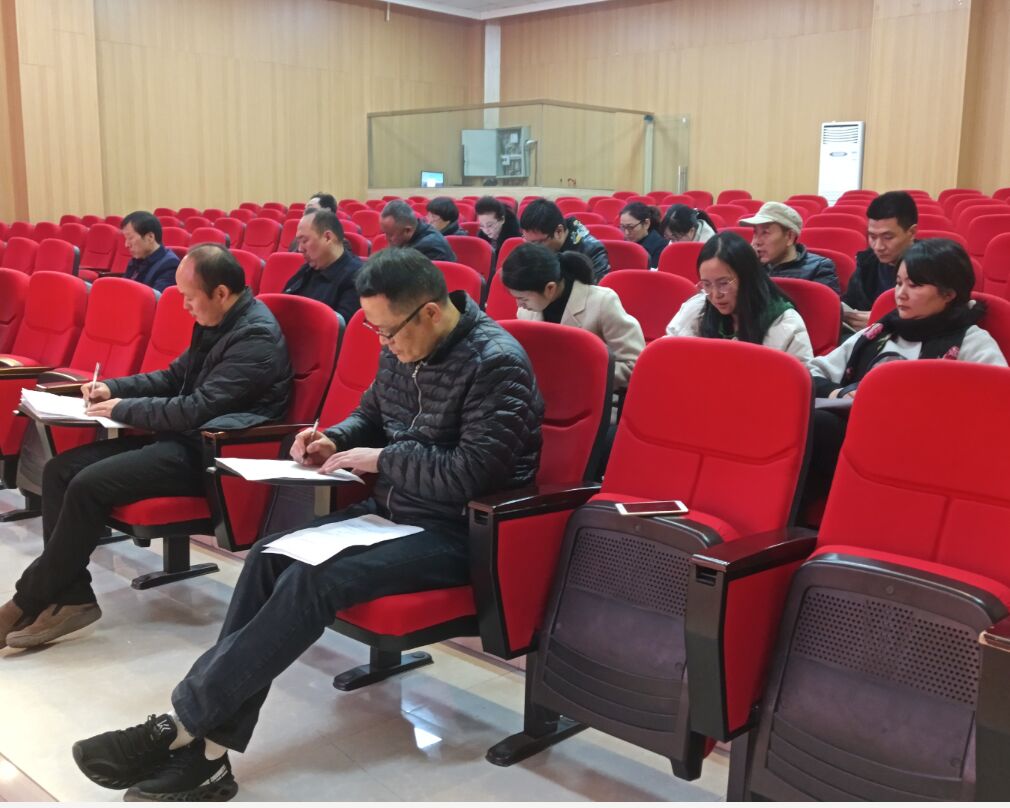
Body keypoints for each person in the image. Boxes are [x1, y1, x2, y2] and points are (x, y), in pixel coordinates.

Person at [71, 248, 544, 802]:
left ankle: (178, 727)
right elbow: (372, 413)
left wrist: (380, 460)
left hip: (459, 531)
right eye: (374, 330)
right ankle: (210, 756)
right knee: (270, 556)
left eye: (388, 332)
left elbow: (470, 473)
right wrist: (335, 438)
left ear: (432, 313)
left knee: (312, 579)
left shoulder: (496, 364)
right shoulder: (404, 343)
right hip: (394, 512)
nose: (383, 343)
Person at [0, 245, 293, 650]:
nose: (184, 306)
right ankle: (73, 597)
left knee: (87, 485)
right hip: (182, 439)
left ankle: (27, 599)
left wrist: (122, 408)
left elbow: (196, 408)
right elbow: (173, 377)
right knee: (59, 471)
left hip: (210, 454)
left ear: (221, 293)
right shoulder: (219, 320)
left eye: (189, 297)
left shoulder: (254, 337)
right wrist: (113, 388)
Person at [803, 238, 1007, 510]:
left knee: (820, 427)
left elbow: (996, 408)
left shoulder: (971, 342)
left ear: (949, 293)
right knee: (812, 422)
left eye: (915, 285)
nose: (900, 294)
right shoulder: (880, 331)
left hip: (925, 451)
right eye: (898, 283)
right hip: (861, 437)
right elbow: (810, 373)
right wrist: (841, 393)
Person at [502, 243, 645, 389]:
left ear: (550, 288)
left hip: (587, 390)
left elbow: (633, 365)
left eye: (523, 299)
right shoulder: (527, 311)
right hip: (542, 390)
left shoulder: (602, 302)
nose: (519, 305)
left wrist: (583, 377)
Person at [666, 231, 813, 363]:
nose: (716, 295)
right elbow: (668, 355)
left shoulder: (784, 324)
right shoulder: (698, 309)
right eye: (707, 284)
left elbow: (801, 378)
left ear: (747, 278)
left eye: (724, 283)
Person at [841, 191, 918, 331]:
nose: (878, 247)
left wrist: (884, 323)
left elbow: (943, 319)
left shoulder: (933, 266)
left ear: (911, 232)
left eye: (888, 237)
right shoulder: (866, 263)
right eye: (872, 236)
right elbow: (850, 302)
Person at [739, 201, 840, 293]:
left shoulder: (819, 267)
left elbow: (827, 306)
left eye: (765, 232)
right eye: (755, 233)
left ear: (790, 236)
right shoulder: (754, 265)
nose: (756, 241)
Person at [283, 210, 362, 323]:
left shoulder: (358, 277)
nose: (300, 249)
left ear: (328, 237)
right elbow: (283, 301)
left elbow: (339, 328)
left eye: (304, 241)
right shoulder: (308, 268)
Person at [520, 198, 610, 282]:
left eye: (537, 243)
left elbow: (596, 291)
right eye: (526, 240)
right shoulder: (532, 248)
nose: (531, 249)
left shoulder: (593, 251)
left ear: (559, 231)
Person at [121, 211, 180, 293]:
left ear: (150, 237)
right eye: (126, 239)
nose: (126, 245)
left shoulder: (169, 265)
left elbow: (157, 298)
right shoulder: (136, 259)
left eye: (130, 238)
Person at [380, 199, 456, 261]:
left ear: (407, 230)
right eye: (385, 233)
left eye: (390, 234)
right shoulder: (415, 233)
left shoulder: (428, 248)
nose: (386, 238)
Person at [474, 195, 521, 267]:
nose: (486, 230)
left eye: (490, 225)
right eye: (482, 226)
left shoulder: (515, 241)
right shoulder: (481, 238)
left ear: (502, 220)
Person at [619, 201, 667, 268]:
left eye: (631, 227)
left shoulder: (661, 247)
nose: (626, 233)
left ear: (646, 223)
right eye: (623, 227)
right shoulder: (624, 243)